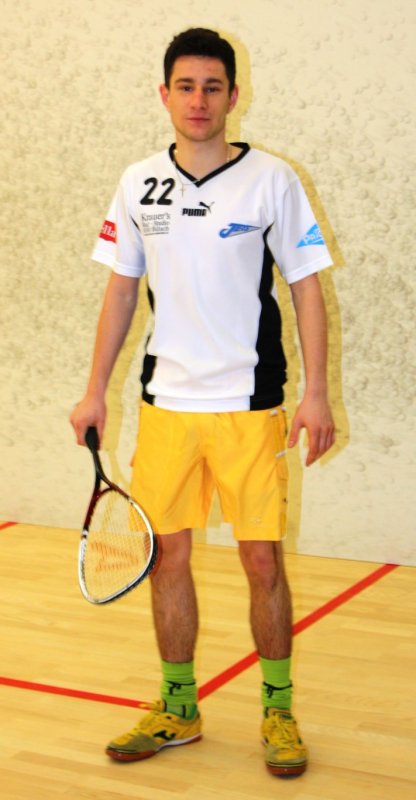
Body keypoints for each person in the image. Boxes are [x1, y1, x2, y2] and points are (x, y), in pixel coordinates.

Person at [70, 27, 335, 778]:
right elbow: (122, 290)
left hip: (251, 404)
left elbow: (306, 288)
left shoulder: (273, 180)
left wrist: (316, 393)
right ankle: (179, 707)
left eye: (212, 87)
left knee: (261, 560)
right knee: (169, 559)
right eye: (185, 87)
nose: (198, 100)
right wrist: (95, 389)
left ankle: (278, 711)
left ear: (233, 96)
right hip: (166, 406)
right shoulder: (138, 182)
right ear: (164, 95)